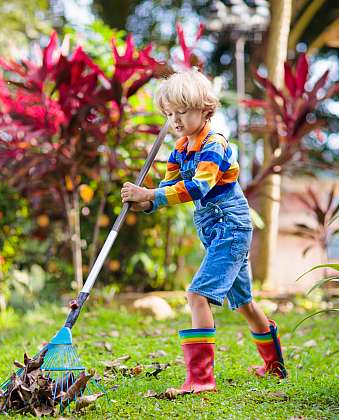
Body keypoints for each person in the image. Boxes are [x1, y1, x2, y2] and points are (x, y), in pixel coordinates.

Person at [120, 69, 286, 393]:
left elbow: (198, 187)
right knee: (245, 304)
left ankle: (200, 379)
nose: (175, 120)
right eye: (169, 114)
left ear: (205, 109)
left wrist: (151, 195)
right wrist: (144, 202)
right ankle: (274, 366)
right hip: (217, 232)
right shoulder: (180, 150)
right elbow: (170, 188)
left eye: (182, 112)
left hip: (230, 227)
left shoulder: (215, 145)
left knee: (197, 294)